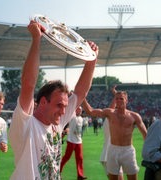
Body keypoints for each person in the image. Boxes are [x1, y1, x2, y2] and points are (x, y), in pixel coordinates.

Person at [8, 20, 98, 180]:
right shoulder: (25, 124)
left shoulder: (58, 121)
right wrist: (36, 39)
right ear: (43, 102)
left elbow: (81, 92)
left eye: (65, 106)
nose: (64, 111)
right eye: (59, 105)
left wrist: (91, 61)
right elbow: (28, 85)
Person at [82, 90, 147, 180]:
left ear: (126, 100)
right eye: (117, 98)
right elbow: (91, 111)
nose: (119, 100)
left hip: (128, 151)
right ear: (115, 100)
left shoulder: (134, 116)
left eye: (121, 98)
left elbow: (145, 134)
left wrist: (149, 152)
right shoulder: (110, 113)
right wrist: (82, 97)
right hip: (113, 149)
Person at [60, 106, 87, 179]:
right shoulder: (72, 117)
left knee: (80, 158)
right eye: (78, 109)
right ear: (75, 110)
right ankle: (58, 170)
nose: (80, 111)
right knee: (67, 157)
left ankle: (80, 174)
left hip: (79, 141)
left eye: (80, 110)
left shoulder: (81, 119)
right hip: (71, 140)